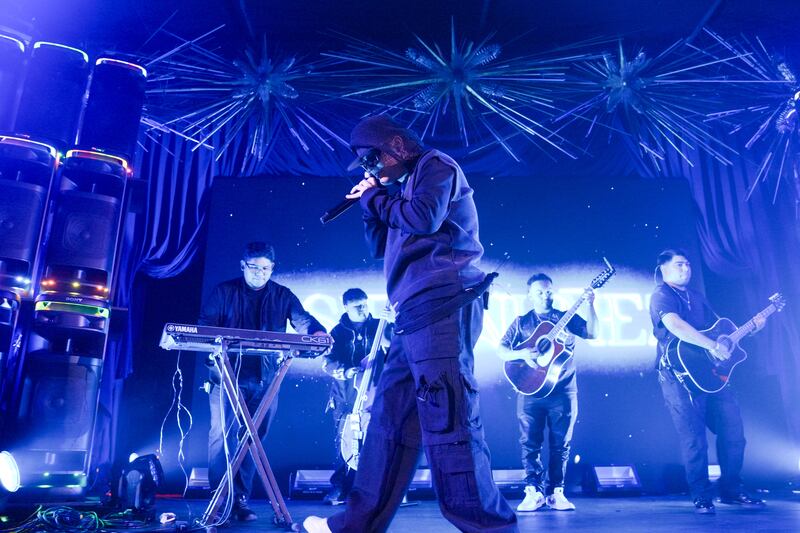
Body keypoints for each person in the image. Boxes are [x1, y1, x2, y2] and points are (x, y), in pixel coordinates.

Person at [304, 115, 518, 532]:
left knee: (447, 417)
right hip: (412, 313)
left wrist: (375, 198)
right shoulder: (398, 187)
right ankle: (356, 524)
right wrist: (372, 202)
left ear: (397, 145)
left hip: (442, 304)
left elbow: (424, 218)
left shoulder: (436, 166)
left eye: (372, 159)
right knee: (390, 420)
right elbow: (380, 245)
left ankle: (489, 527)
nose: (371, 169)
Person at [199, 241, 327, 522]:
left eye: (265, 269)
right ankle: (220, 498)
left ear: (272, 269)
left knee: (252, 441)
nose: (259, 273)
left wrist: (317, 332)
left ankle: (241, 500)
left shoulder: (283, 295)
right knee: (221, 436)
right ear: (243, 266)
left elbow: (303, 320)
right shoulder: (224, 292)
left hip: (266, 379)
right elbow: (205, 326)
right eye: (254, 268)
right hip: (227, 377)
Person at [649, 248, 765, 514]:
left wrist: (751, 328)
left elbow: (722, 331)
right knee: (694, 438)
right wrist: (712, 345)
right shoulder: (661, 295)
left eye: (688, 264)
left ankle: (732, 491)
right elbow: (675, 326)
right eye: (679, 265)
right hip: (677, 377)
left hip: (711, 375)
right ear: (664, 269)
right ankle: (701, 496)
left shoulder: (696, 296)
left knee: (733, 432)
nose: (686, 269)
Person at [497, 273, 597, 512]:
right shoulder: (522, 322)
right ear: (530, 295)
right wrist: (523, 354)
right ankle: (533, 491)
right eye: (540, 292)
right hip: (529, 389)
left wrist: (591, 305)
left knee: (561, 443)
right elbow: (502, 350)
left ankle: (556, 492)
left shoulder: (566, 317)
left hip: (562, 389)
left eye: (549, 291)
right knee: (529, 443)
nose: (545, 295)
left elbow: (592, 333)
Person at [321, 288, 394, 505]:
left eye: (365, 304)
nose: (363, 309)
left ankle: (371, 490)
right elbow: (328, 362)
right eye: (357, 306)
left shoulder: (378, 326)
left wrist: (391, 327)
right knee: (344, 443)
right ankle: (340, 488)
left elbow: (394, 351)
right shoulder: (337, 332)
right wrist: (347, 371)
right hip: (345, 396)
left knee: (373, 442)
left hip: (373, 395)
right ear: (346, 307)